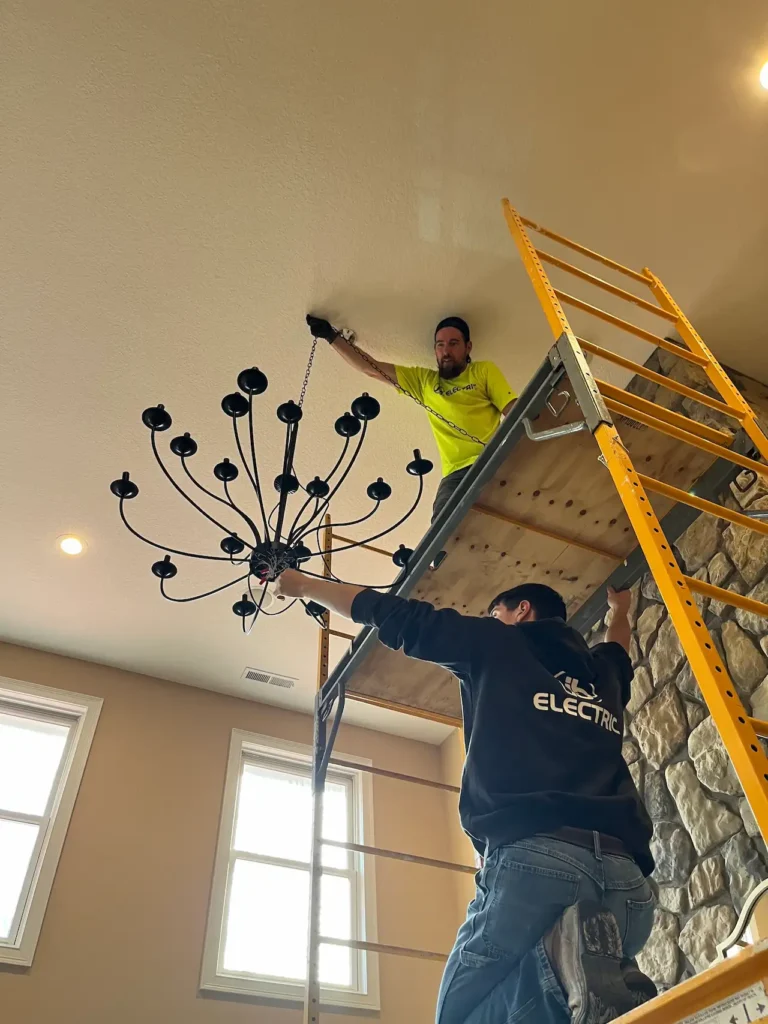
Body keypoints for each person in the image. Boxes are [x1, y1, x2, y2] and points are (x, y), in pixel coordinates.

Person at [274, 567, 656, 1024]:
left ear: (521, 611)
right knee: (563, 1007)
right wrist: (620, 610)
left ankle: (560, 965)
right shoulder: (602, 673)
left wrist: (301, 585)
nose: (491, 619)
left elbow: (396, 615)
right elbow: (619, 646)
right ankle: (570, 972)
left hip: (540, 865)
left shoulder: (497, 642)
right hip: (628, 883)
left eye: (494, 612)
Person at [306, 314, 517, 522]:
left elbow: (515, 411)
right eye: (440, 345)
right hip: (454, 475)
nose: (446, 351)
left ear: (467, 347)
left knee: (503, 517)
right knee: (440, 529)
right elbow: (372, 369)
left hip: (490, 461)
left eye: (453, 344)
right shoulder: (425, 381)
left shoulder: (482, 371)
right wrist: (331, 337)